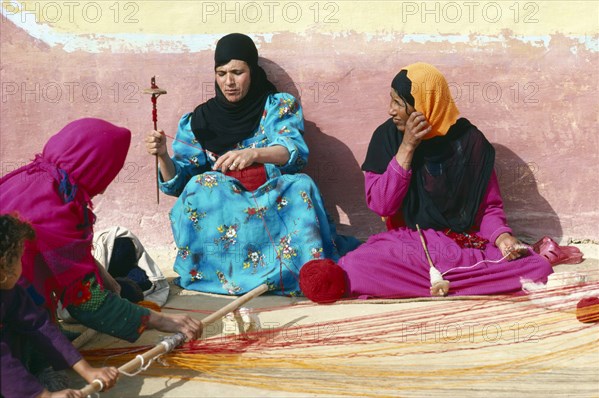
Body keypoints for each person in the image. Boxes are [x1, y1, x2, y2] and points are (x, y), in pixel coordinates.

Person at [299, 62, 561, 303]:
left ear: (426, 106)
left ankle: (435, 282)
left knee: (534, 266)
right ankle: (466, 282)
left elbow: (488, 209)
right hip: (408, 247)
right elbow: (381, 205)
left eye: (399, 103)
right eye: (391, 100)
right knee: (358, 265)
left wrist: (502, 238)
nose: (391, 110)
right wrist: (407, 147)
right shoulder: (387, 138)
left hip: (460, 245)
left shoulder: (469, 143)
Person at [146, 33, 357, 296]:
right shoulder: (199, 120)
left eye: (237, 72)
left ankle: (296, 273)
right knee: (201, 186)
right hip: (225, 201)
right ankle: (220, 276)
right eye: (221, 73)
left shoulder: (277, 105)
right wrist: (163, 156)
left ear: (253, 72)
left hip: (270, 193)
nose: (229, 82)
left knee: (301, 185)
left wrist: (255, 154)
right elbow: (178, 183)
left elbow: (294, 152)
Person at [0, 118, 202, 342]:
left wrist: (102, 275)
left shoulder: (31, 178)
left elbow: (60, 255)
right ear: (93, 166)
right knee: (43, 367)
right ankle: (35, 342)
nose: (105, 187)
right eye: (109, 172)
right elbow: (86, 301)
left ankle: (46, 327)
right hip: (7, 313)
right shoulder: (57, 209)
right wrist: (161, 320)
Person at [0, 213, 119, 398]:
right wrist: (44, 395)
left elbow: (40, 325)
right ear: (3, 266)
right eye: (18, 260)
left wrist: (87, 371)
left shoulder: (11, 291)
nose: (21, 266)